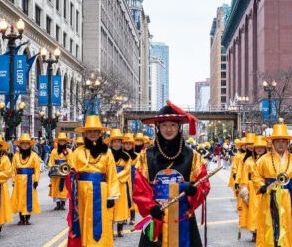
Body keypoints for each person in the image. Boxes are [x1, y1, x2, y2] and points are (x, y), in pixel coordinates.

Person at [132, 102, 210, 247]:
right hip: (157, 218)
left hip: (183, 220)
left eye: (173, 125)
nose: (169, 129)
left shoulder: (193, 156)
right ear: (158, 127)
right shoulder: (145, 156)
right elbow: (139, 188)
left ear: (179, 127)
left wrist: (194, 192)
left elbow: (204, 185)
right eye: (164, 125)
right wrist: (150, 208)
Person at [67, 115, 120, 246]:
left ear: (99, 133)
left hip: (101, 193)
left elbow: (112, 174)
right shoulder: (77, 152)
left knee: (102, 221)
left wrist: (112, 196)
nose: (92, 134)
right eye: (89, 131)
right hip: (81, 194)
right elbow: (70, 170)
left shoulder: (107, 153)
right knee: (83, 221)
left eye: (95, 131)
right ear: (85, 133)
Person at [250, 123, 292, 246]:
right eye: (277, 141)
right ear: (273, 143)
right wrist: (261, 186)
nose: (281, 144)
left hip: (290, 199)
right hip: (271, 197)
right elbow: (255, 175)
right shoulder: (263, 160)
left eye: (283, 141)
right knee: (271, 226)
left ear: (288, 143)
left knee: (289, 226)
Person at [238, 134, 267, 242]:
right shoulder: (249, 161)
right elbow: (245, 176)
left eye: (262, 147)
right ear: (254, 148)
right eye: (257, 147)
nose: (259, 149)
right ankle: (255, 232)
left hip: (266, 187)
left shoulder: (269, 159)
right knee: (254, 211)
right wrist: (244, 189)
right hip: (253, 189)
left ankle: (265, 230)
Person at [106, 129, 133, 236]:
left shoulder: (126, 156)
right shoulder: (106, 154)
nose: (116, 144)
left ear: (121, 143)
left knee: (121, 207)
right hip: (109, 184)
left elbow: (127, 170)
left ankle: (120, 229)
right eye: (114, 142)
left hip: (121, 184)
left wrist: (115, 177)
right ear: (111, 143)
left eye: (118, 142)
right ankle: (109, 228)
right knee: (110, 205)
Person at [12, 133, 41, 225]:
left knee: (29, 198)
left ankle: (27, 218)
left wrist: (36, 180)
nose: (25, 145)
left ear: (30, 145)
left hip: (30, 179)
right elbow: (13, 169)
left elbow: (37, 168)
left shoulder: (34, 155)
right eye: (23, 143)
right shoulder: (16, 155)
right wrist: (13, 180)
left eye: (27, 143)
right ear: (20, 145)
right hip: (19, 180)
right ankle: (21, 217)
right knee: (20, 197)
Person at [47, 133, 73, 211]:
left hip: (65, 170)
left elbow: (70, 161)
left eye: (63, 141)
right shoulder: (54, 151)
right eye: (60, 141)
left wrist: (69, 170)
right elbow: (51, 161)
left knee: (64, 187)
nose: (62, 142)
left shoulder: (69, 151)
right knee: (56, 187)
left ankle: (63, 203)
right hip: (55, 171)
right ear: (58, 142)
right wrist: (50, 170)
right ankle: (57, 204)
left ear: (66, 142)